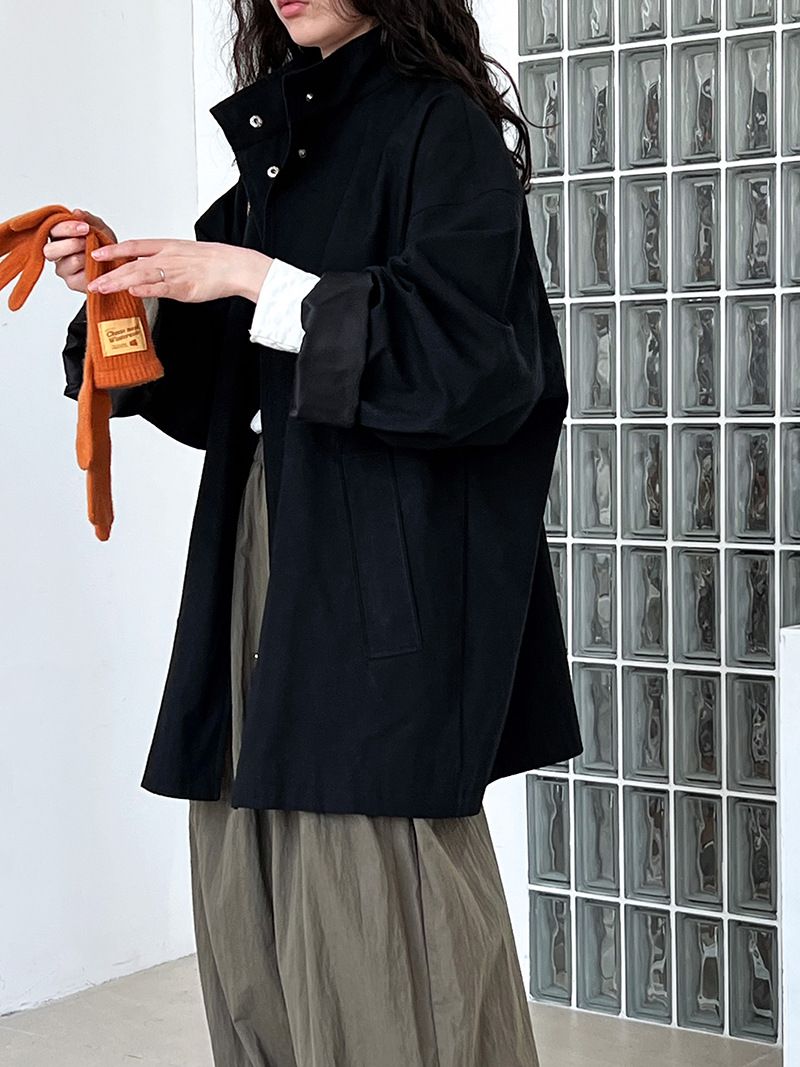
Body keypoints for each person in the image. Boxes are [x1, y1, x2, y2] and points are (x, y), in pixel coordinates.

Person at [50, 1, 581, 1064]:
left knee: (379, 891)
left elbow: (475, 363)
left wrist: (253, 277)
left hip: (376, 570)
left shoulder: (440, 127)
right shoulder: (289, 137)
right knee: (250, 871)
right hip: (262, 540)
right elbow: (229, 372)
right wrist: (130, 295)